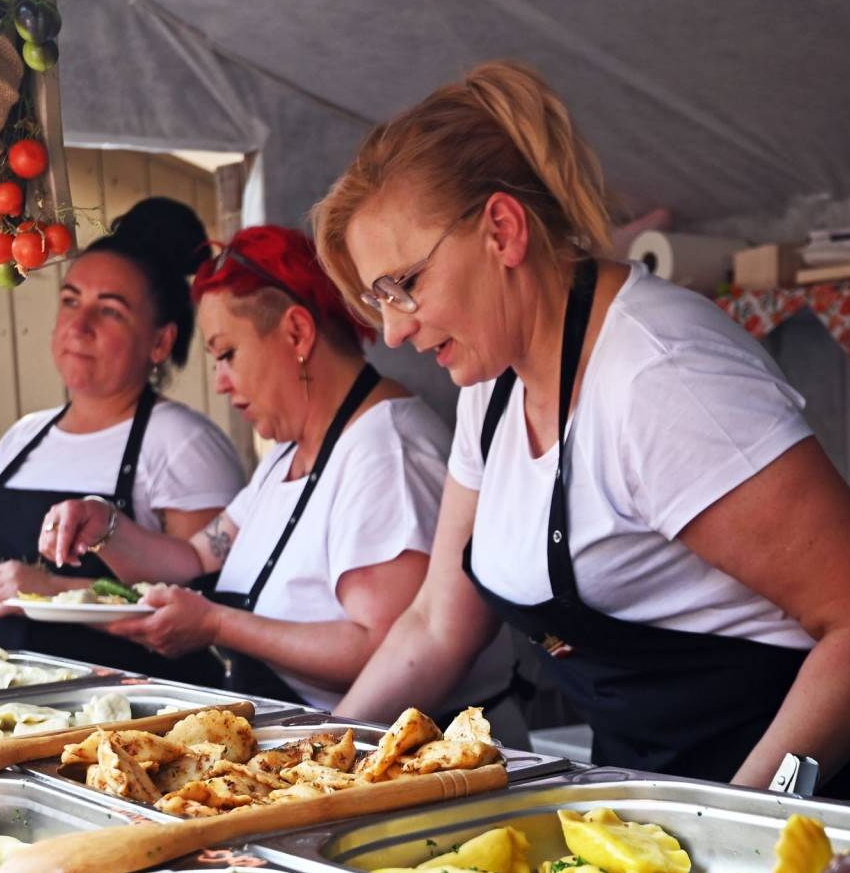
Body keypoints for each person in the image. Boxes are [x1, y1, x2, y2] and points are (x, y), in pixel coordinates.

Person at [313, 61, 850, 812]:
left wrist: (745, 820)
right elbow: (434, 623)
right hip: (657, 804)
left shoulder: (660, 376)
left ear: (502, 230)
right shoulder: (493, 385)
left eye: (405, 286)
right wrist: (314, 765)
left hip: (830, 811)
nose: (392, 330)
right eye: (376, 300)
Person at [39, 224, 523, 730]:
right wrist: (103, 525)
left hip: (412, 755)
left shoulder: (386, 451)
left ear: (296, 332)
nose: (221, 383)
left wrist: (217, 625)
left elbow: (382, 648)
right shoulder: (287, 454)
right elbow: (194, 556)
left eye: (227, 354)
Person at [0, 198, 244, 681]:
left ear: (160, 342)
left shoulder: (183, 443)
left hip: (127, 721)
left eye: (110, 311)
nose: (79, 326)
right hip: (0, 703)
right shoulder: (22, 437)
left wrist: (46, 592)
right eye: (70, 301)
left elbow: (199, 613)